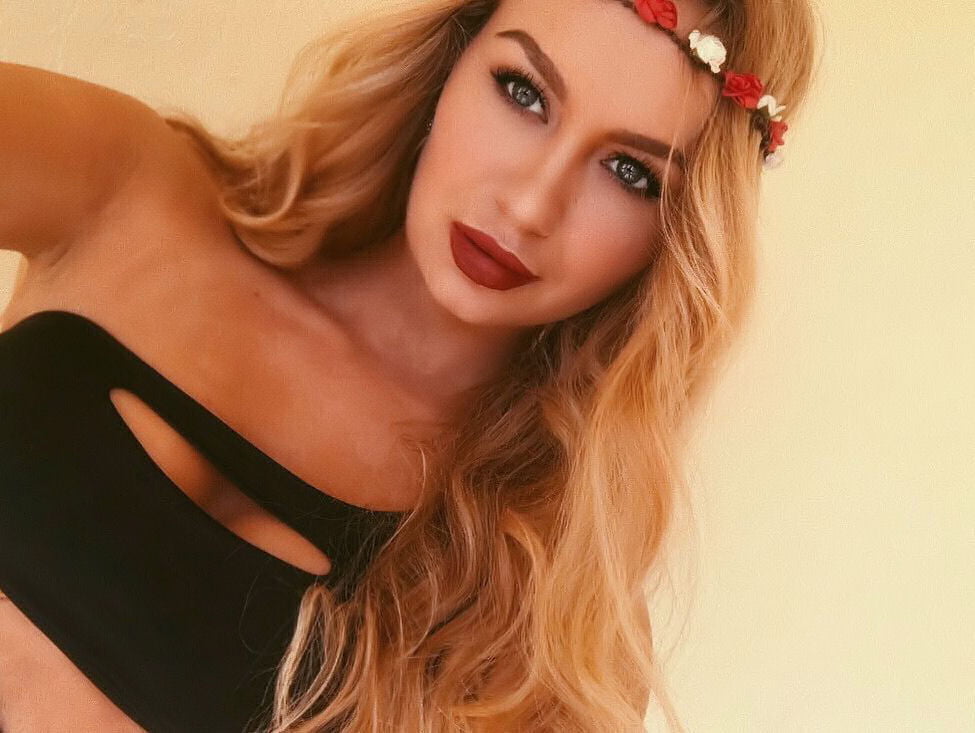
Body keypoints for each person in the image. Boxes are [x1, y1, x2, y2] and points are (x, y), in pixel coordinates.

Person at [0, 0, 820, 730]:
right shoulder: (128, 190)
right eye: (523, 93)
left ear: (678, 234)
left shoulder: (556, 617)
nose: (530, 203)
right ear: (450, 61)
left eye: (629, 172)